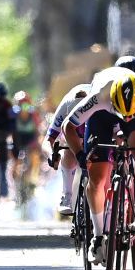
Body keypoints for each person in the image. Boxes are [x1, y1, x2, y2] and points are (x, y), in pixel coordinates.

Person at [63, 67, 135, 263]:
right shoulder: (98, 95)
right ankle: (97, 237)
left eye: (130, 115)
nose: (126, 118)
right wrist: (79, 155)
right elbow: (68, 126)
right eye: (124, 114)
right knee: (97, 176)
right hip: (103, 114)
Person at [44, 83, 90, 215]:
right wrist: (51, 154)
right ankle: (66, 196)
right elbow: (47, 140)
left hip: (94, 130)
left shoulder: (97, 103)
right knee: (68, 151)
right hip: (72, 134)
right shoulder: (65, 106)